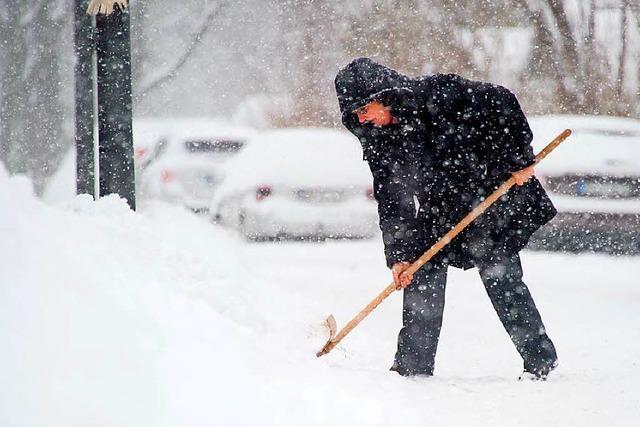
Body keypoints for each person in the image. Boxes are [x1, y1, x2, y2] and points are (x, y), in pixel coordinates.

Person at [335, 57, 558, 380]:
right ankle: (413, 369)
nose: (362, 118)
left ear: (384, 96)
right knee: (419, 271)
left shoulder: (438, 94)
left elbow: (502, 101)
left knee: (502, 279)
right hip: (438, 208)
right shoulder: (379, 138)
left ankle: (540, 362)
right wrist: (398, 256)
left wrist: (519, 159)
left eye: (364, 108)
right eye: (355, 114)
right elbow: (392, 197)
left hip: (487, 196)